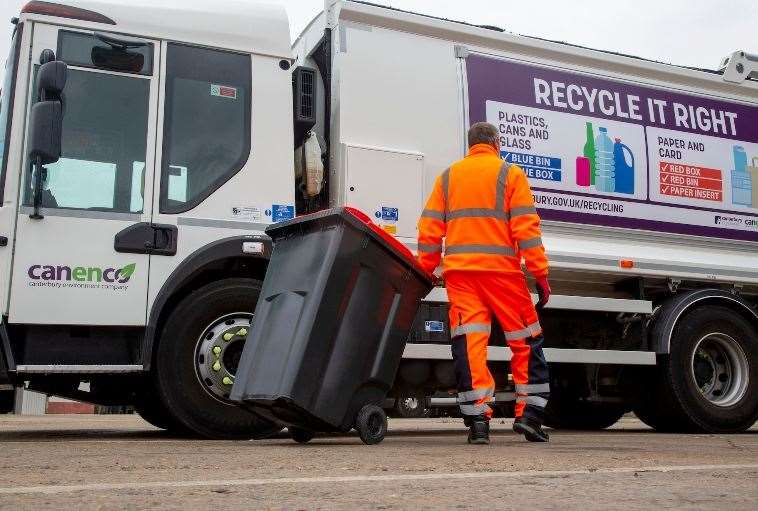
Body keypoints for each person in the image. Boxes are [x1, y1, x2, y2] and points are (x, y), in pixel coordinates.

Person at [417, 122, 552, 444]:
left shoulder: (449, 177)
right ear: (496, 142)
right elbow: (526, 230)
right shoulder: (510, 175)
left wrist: (426, 268)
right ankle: (530, 417)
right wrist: (541, 275)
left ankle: (478, 423)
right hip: (502, 275)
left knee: (470, 345)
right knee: (525, 341)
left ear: (471, 144)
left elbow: (430, 227)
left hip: (462, 276)